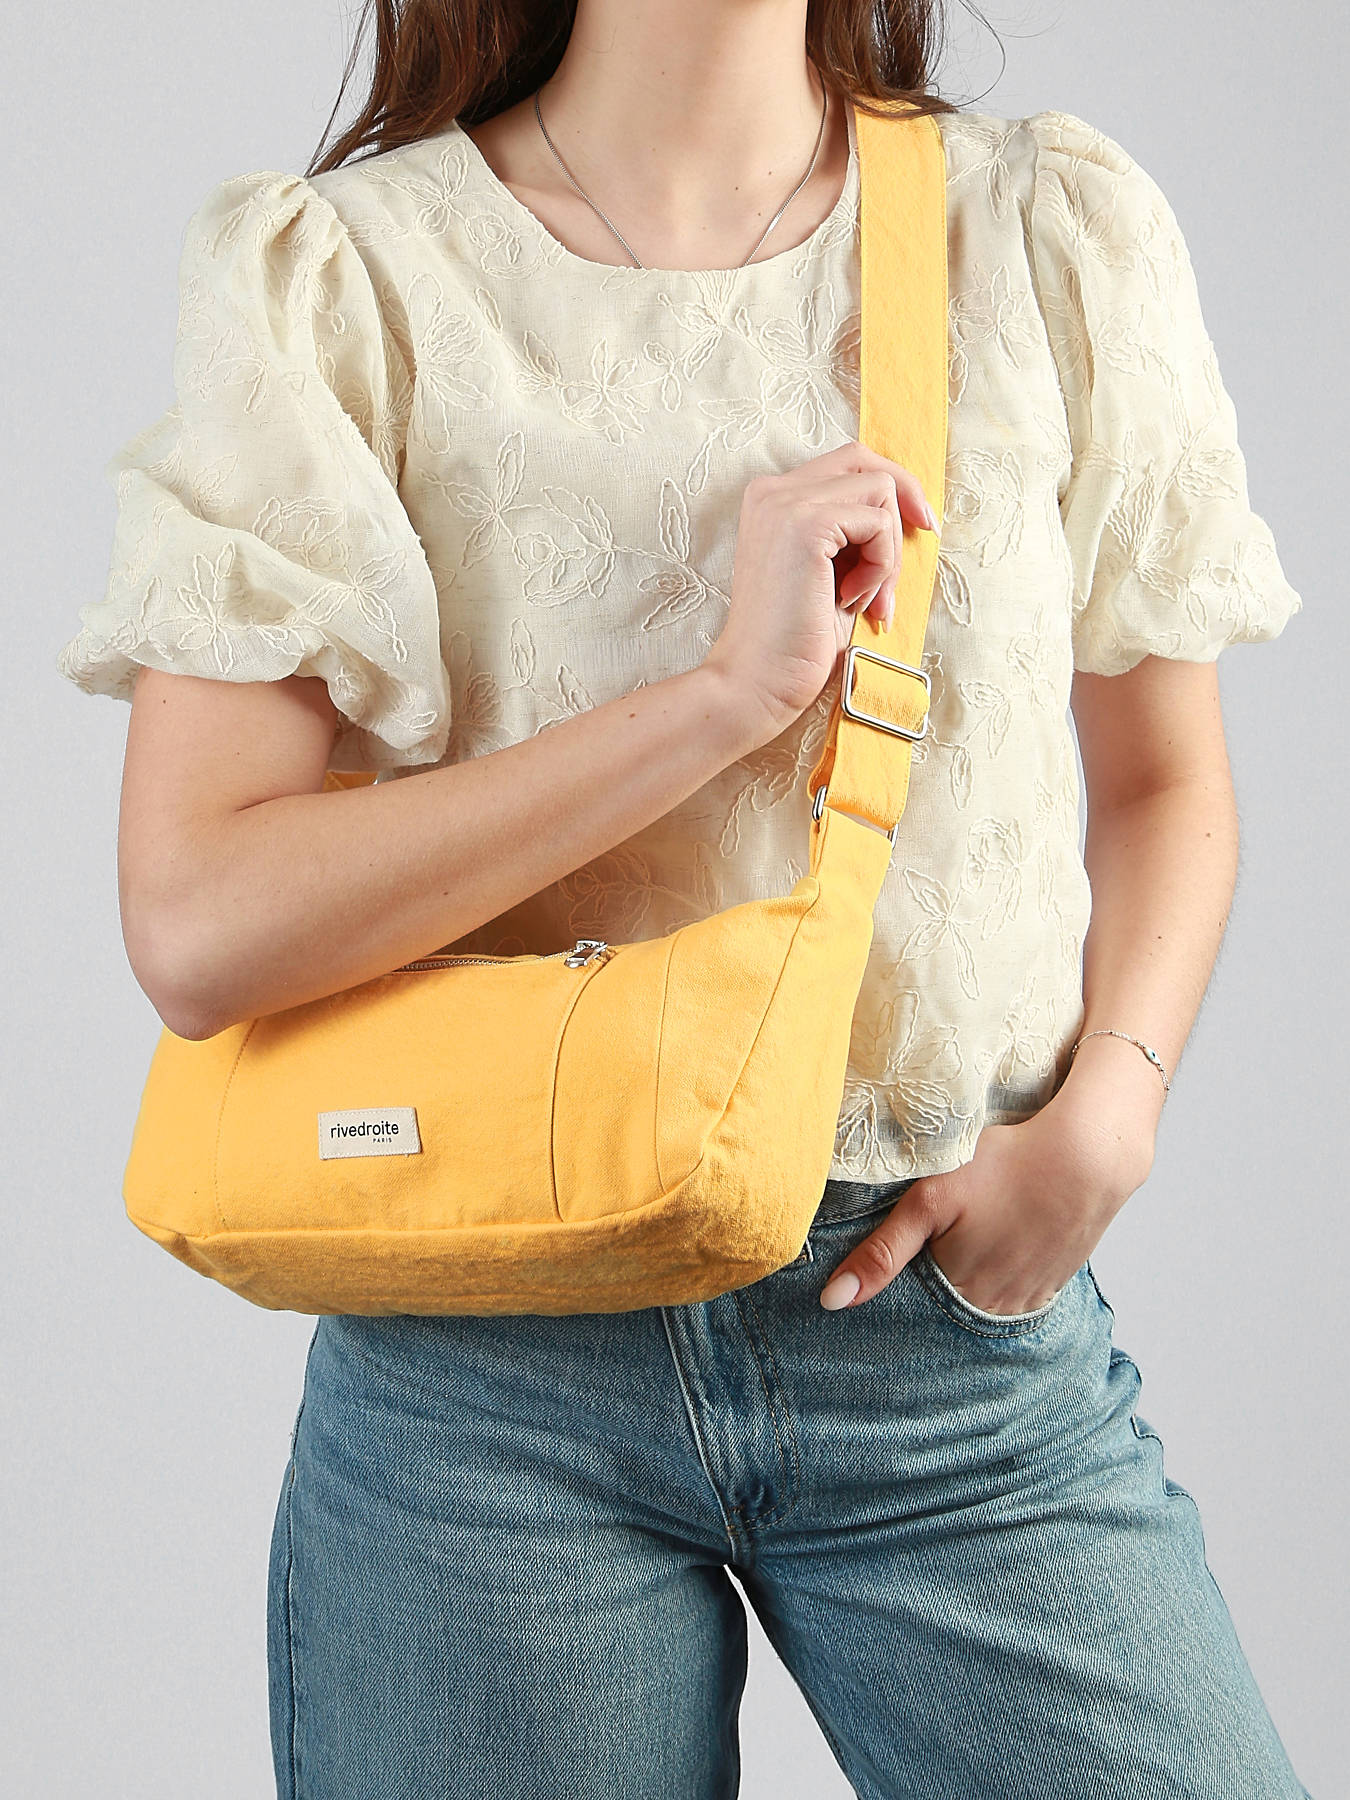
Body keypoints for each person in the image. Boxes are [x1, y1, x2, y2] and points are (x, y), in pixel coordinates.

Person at [55, 2, 1312, 1795]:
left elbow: (1163, 777)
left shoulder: (1038, 229)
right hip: (483, 1370)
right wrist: (721, 702)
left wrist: (1111, 1106)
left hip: (939, 1327)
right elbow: (198, 923)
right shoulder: (349, 277)